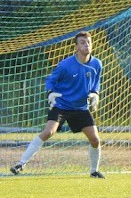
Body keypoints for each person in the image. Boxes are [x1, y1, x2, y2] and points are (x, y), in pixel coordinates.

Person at [10, 31, 105, 178]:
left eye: (88, 42)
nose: (86, 45)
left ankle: (94, 171)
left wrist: (95, 94)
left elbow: (96, 83)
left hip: (80, 107)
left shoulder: (97, 64)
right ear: (76, 47)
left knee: (95, 139)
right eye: (82, 42)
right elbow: (50, 80)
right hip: (61, 105)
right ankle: (20, 164)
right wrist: (50, 93)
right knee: (48, 132)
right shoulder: (66, 65)